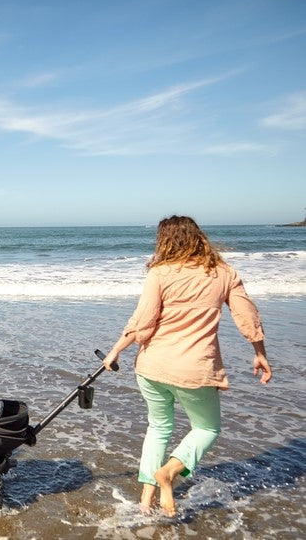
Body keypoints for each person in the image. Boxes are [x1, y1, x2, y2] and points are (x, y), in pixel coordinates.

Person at [102, 215, 272, 518]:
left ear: (164, 241)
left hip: (151, 365)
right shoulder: (224, 273)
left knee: (158, 428)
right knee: (206, 428)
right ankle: (169, 471)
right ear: (198, 237)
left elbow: (143, 321)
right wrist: (259, 351)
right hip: (195, 368)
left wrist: (115, 351)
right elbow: (246, 315)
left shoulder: (159, 273)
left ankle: (146, 501)